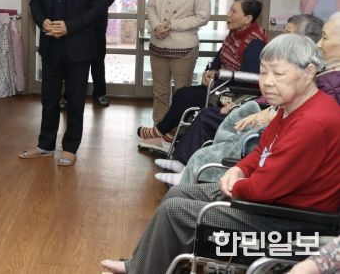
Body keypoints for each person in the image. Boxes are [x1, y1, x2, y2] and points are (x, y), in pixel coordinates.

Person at [100, 34, 340, 274]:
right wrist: (238, 169)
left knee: (176, 211)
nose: (267, 82)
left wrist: (235, 185)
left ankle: (141, 270)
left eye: (278, 74)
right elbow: (261, 150)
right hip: (269, 203)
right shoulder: (294, 106)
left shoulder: (312, 123)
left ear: (309, 72)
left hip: (290, 225)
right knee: (178, 192)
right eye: (263, 72)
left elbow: (262, 189)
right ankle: (141, 265)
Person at [155, 13, 327, 186]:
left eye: (289, 33)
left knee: (205, 113)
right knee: (188, 97)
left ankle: (187, 166)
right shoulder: (237, 39)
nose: (283, 37)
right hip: (256, 105)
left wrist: (243, 107)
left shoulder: (261, 47)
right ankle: (184, 163)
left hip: (251, 105)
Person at [19, 0, 105, 166]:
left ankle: (70, 148)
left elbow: (97, 8)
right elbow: (35, 2)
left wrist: (69, 26)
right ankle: (45, 145)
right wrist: (43, 22)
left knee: (76, 100)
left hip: (79, 47)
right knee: (49, 98)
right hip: (51, 45)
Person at [139, 0, 267, 152]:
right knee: (182, 93)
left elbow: (248, 78)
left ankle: (160, 133)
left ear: (247, 19)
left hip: (234, 93)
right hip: (220, 84)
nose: (228, 15)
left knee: (185, 97)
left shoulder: (254, 43)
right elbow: (221, 55)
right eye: (229, 10)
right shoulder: (235, 33)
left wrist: (217, 77)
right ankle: (167, 136)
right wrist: (211, 71)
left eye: (234, 12)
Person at [145, 0, 211, 126]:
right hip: (158, 44)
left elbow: (202, 17)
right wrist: (156, 26)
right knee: (159, 92)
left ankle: (177, 130)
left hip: (184, 48)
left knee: (182, 93)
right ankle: (159, 127)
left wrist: (172, 25)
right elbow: (151, 6)